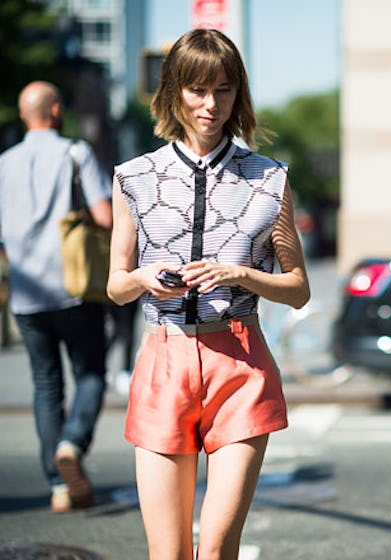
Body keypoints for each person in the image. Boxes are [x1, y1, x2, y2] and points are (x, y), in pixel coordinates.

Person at [107, 28, 310, 559]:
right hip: (163, 361)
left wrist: (238, 274)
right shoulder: (134, 177)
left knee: (217, 548)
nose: (211, 104)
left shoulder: (270, 180)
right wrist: (144, 279)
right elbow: (115, 286)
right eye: (198, 90)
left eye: (223, 90)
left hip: (241, 365)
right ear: (173, 91)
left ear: (237, 94)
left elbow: (298, 290)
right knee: (168, 553)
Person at [0, 81, 112, 512]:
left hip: (26, 295)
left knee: (46, 384)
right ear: (57, 110)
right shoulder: (75, 152)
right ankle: (72, 443)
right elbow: (104, 214)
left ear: (23, 115)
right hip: (74, 285)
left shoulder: (5, 163)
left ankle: (58, 485)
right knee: (91, 374)